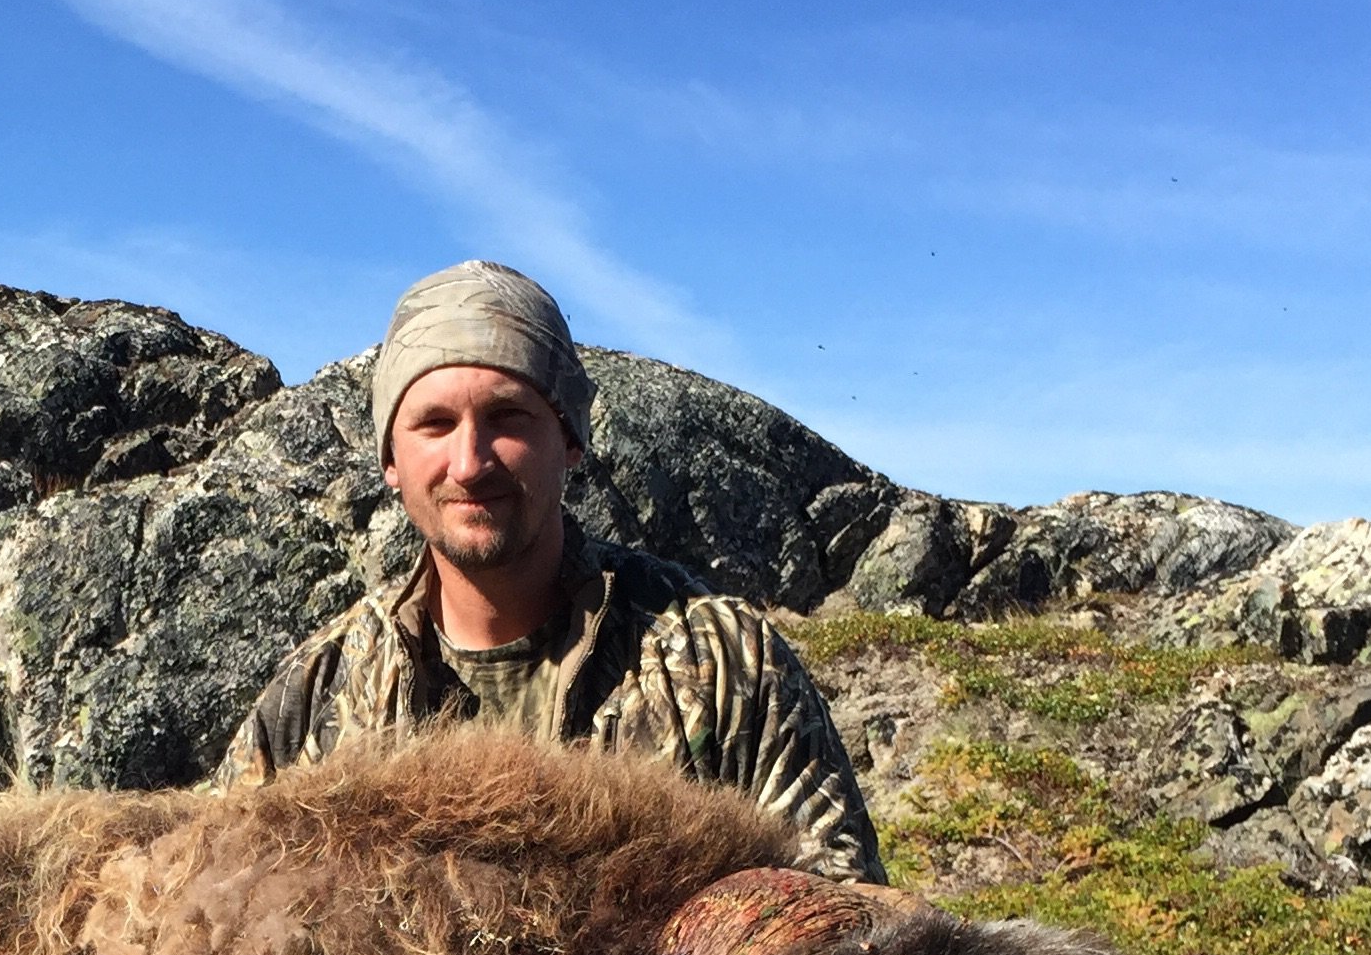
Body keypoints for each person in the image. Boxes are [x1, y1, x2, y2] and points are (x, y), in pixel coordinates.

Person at [216, 259, 885, 881]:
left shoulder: (722, 665)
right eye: (434, 424)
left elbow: (844, 931)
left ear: (569, 438)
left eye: (507, 417)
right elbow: (203, 916)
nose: (470, 462)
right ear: (391, 460)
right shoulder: (317, 695)